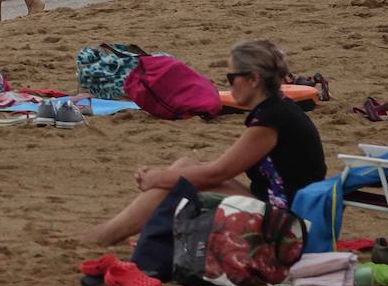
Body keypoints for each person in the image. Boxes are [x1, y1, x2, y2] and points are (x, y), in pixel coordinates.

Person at [82, 40, 326, 246]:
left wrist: (157, 179)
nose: (228, 84)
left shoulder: (271, 120)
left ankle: (103, 236)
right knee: (184, 165)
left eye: (232, 77)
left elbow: (215, 173)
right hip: (283, 209)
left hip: (288, 228)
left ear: (254, 79)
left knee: (177, 183)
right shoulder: (278, 109)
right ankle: (132, 232)